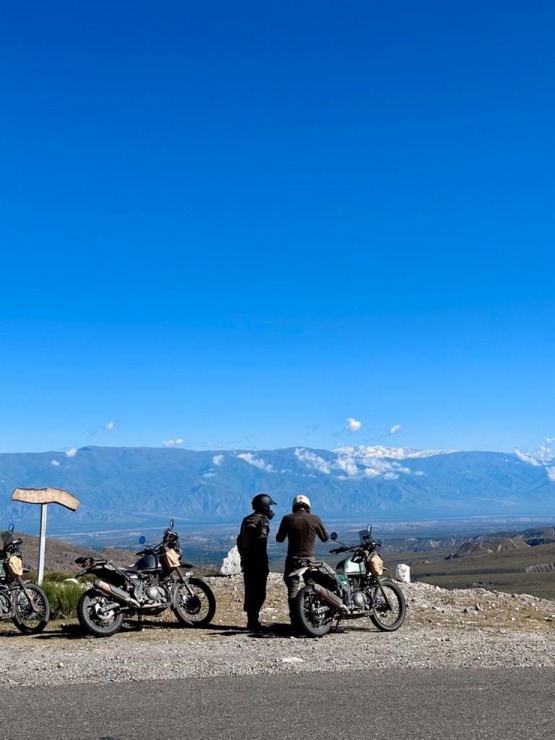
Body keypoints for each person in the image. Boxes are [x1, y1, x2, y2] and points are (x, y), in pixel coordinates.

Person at [275, 494, 329, 624]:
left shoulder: (287, 519)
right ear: (308, 506)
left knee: (292, 591)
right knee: (312, 588)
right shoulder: (315, 519)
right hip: (310, 560)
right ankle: (312, 619)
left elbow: (279, 538)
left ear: (294, 506)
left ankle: (295, 621)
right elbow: (325, 537)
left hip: (292, 560)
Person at [236, 493, 277, 632]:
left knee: (250, 590)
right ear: (264, 506)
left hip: (247, 560)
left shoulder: (245, 520)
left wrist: (243, 557)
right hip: (258, 561)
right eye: (269, 506)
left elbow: (239, 540)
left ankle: (251, 620)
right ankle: (253, 622)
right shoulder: (263, 521)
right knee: (259, 592)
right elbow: (261, 541)